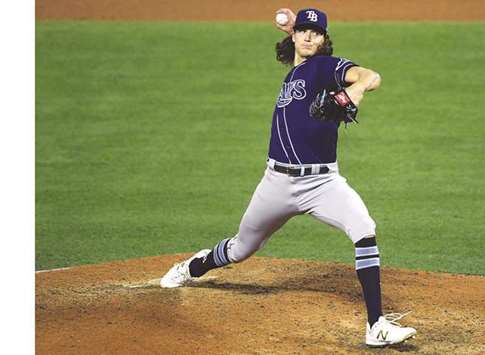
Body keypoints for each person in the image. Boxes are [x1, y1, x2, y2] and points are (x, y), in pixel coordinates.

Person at [160, 7, 417, 347]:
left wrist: (354, 91)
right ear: (294, 35)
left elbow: (371, 75)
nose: (310, 36)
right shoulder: (294, 73)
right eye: (304, 30)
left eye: (317, 32)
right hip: (276, 184)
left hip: (322, 184)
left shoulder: (326, 67)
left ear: (325, 40)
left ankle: (376, 326)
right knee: (240, 249)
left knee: (364, 228)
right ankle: (193, 267)